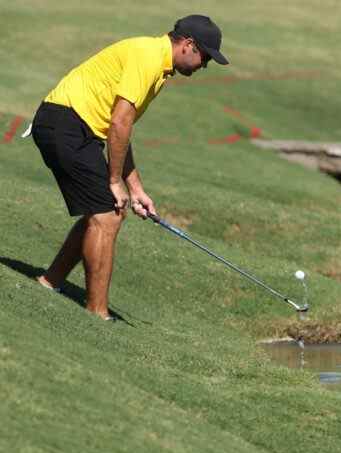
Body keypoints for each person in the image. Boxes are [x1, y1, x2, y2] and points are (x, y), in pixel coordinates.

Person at [32, 15, 228, 320]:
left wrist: (136, 189)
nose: (204, 65)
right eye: (205, 57)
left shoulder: (158, 65)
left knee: (103, 210)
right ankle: (97, 313)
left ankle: (50, 282)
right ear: (188, 45)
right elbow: (119, 123)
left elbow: (121, 132)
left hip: (75, 127)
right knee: (108, 215)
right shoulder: (149, 57)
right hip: (65, 123)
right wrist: (114, 180)